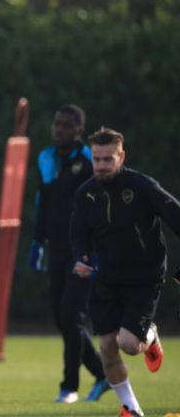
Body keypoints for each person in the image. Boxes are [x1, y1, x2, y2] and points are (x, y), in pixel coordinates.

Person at [70, 127, 178, 417]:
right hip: (108, 278)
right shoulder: (86, 193)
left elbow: (175, 216)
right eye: (97, 159)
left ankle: (150, 336)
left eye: (108, 159)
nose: (102, 165)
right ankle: (131, 407)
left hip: (144, 278)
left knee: (129, 345)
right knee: (106, 346)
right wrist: (81, 258)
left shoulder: (142, 186)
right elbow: (78, 233)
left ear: (121, 156)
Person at [29, 104, 107, 403]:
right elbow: (42, 202)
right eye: (56, 123)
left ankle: (69, 387)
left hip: (84, 252)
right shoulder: (46, 157)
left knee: (71, 316)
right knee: (61, 319)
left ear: (78, 130)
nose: (58, 129)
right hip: (57, 250)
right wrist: (37, 243)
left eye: (65, 125)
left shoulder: (89, 160)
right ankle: (102, 374)